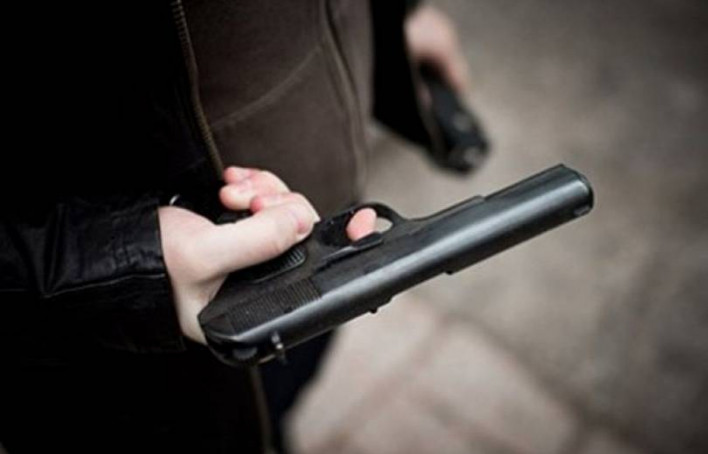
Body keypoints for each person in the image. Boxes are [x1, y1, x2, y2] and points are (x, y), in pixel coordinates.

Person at [0, 1, 469, 453]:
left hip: (316, 261)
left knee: (281, 404)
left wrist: (394, 18)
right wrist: (133, 265)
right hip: (140, 355)